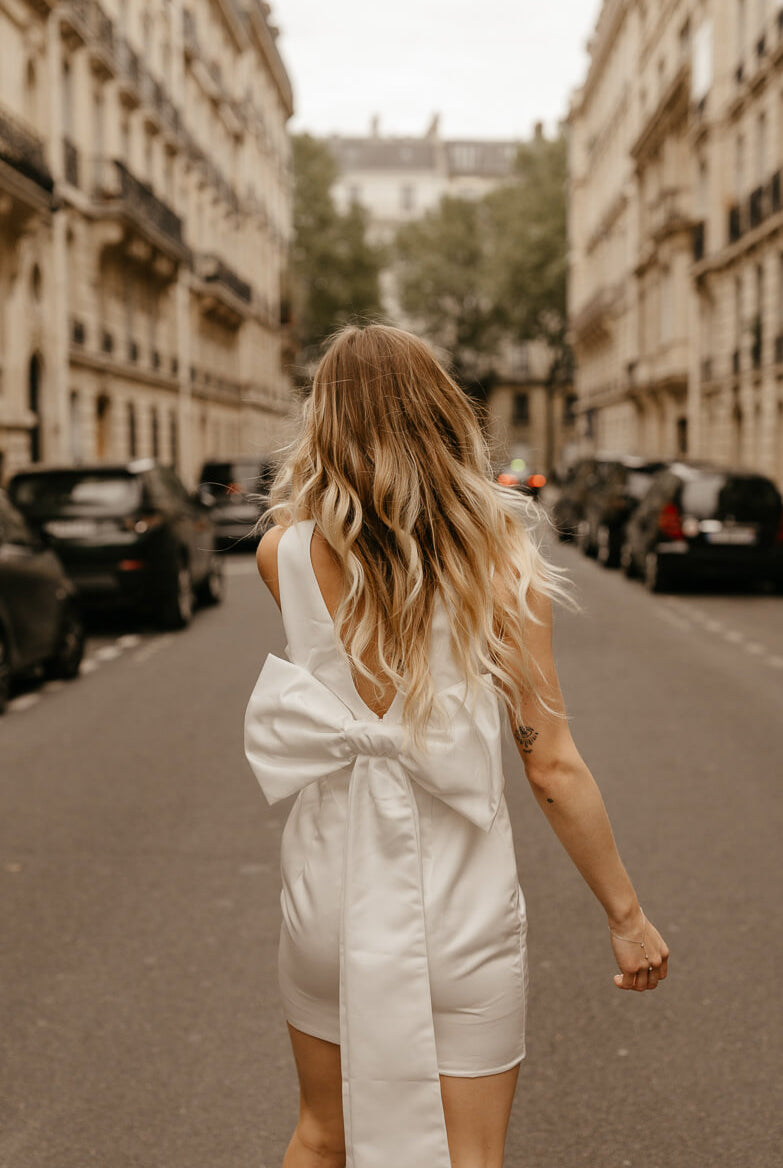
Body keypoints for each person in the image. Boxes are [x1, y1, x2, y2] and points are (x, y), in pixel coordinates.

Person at [243, 323, 669, 1168]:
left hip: (328, 896)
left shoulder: (279, 554)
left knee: (321, 1135)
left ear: (322, 424)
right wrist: (626, 916)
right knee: (470, 1156)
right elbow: (549, 763)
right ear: (443, 416)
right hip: (458, 905)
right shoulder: (500, 561)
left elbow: (321, 540)